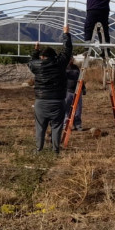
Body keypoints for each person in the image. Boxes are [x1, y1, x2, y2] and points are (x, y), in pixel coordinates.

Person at [28, 26, 73, 154]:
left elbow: (31, 62)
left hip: (41, 101)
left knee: (40, 127)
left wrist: (35, 50)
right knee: (57, 127)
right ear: (54, 56)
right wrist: (66, 34)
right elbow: (67, 50)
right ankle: (55, 150)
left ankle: (38, 149)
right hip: (57, 102)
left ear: (42, 56)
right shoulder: (60, 63)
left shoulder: (37, 65)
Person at [63, 57, 85, 131]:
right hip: (67, 91)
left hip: (77, 91)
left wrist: (83, 88)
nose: (71, 60)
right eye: (69, 59)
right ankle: (65, 124)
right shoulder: (63, 68)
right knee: (67, 108)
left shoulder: (76, 68)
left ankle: (77, 124)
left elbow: (81, 78)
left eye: (71, 59)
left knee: (78, 109)